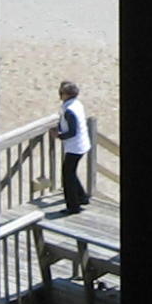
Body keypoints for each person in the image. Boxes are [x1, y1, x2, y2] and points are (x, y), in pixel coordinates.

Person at [54, 80, 93, 213]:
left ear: (67, 95)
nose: (60, 95)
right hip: (81, 144)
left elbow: (72, 131)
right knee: (71, 172)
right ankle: (82, 197)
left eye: (61, 93)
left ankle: (73, 206)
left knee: (67, 176)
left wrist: (59, 135)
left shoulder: (69, 110)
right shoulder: (76, 104)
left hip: (75, 147)